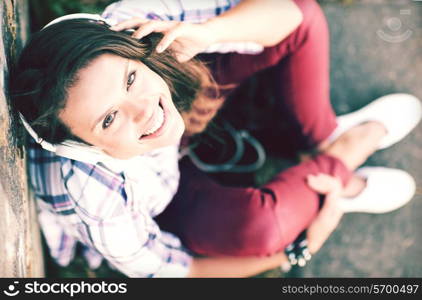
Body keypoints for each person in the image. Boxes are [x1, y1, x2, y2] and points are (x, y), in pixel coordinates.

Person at [10, 0, 421, 277]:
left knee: (301, 17)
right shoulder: (91, 195)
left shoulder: (134, 24)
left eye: (131, 77)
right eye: (109, 119)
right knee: (261, 229)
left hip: (187, 100)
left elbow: (292, 15)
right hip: (165, 193)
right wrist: (297, 248)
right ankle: (344, 157)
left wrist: (208, 33)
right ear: (81, 146)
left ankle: (325, 142)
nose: (143, 110)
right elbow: (177, 271)